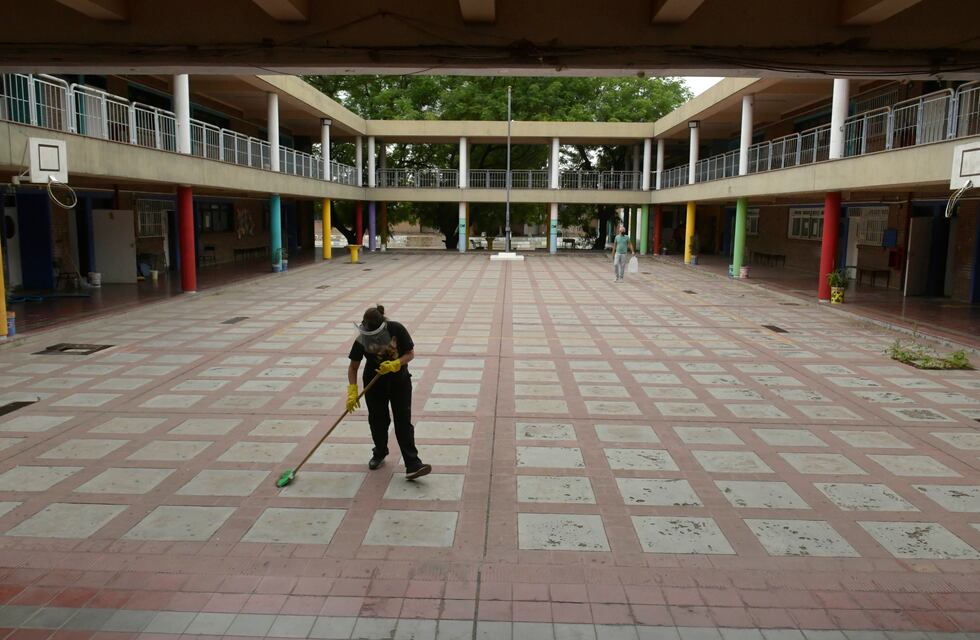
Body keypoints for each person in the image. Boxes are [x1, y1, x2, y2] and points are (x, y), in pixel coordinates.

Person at [347, 305, 431, 480]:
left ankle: (413, 463)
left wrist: (395, 364)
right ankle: (379, 452)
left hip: (399, 382)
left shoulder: (396, 329)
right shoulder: (362, 337)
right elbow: (353, 366)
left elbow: (410, 354)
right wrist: (352, 390)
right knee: (378, 420)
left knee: (403, 421)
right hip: (374, 383)